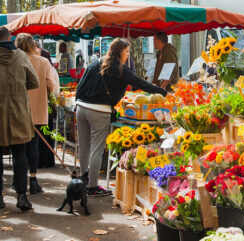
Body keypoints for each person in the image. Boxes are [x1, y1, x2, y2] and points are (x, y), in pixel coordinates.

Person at [76, 38, 170, 196]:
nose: (128, 55)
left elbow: (81, 84)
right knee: (97, 149)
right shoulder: (121, 69)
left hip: (81, 108)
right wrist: (163, 92)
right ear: (120, 52)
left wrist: (78, 102)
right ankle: (92, 187)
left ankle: (83, 178)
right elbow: (140, 83)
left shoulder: (95, 62)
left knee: (84, 146)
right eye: (126, 52)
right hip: (99, 111)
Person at [0, 26, 39, 210]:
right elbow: (34, 82)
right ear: (10, 37)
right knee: (19, 153)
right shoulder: (22, 57)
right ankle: (22, 196)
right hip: (19, 112)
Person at [15, 33, 60, 195]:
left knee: (19, 146)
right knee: (33, 144)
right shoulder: (43, 61)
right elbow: (50, 84)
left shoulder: (15, 60)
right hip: (38, 107)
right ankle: (33, 179)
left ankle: (17, 180)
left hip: (18, 108)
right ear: (33, 44)